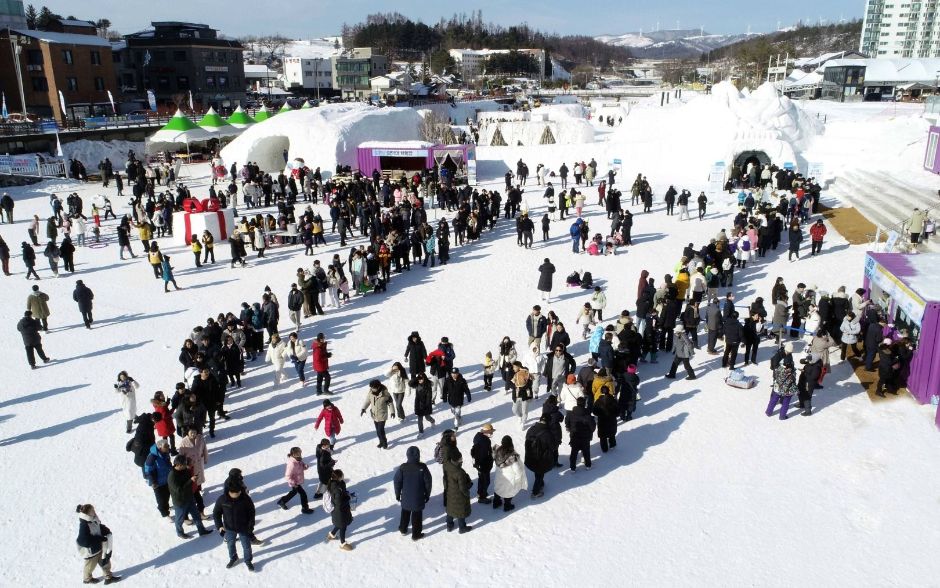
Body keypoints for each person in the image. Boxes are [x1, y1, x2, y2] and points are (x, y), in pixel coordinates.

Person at [213, 484, 257, 571]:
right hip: (229, 528)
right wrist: (219, 526)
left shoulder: (245, 499)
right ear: (229, 492)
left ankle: (248, 561)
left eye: (239, 492)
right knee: (230, 544)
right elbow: (216, 513)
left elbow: (252, 512)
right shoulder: (222, 499)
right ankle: (233, 557)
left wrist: (250, 526)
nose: (237, 495)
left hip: (243, 527)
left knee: (246, 546)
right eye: (235, 493)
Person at [168, 455, 213, 539]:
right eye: (185, 464)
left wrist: (194, 478)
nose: (186, 465)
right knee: (179, 519)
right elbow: (179, 490)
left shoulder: (186, 470)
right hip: (180, 502)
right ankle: (180, 532)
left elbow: (189, 481)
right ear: (179, 465)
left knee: (196, 515)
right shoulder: (172, 476)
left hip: (190, 497)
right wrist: (190, 481)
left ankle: (201, 530)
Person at [393, 446, 433, 541]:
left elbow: (397, 481)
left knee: (405, 513)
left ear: (407, 455)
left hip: (406, 497)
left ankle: (403, 529)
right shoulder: (422, 467)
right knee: (417, 517)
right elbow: (428, 482)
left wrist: (398, 494)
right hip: (418, 498)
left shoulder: (402, 467)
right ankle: (416, 534)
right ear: (418, 455)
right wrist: (427, 494)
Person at [75, 504, 120, 585]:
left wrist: (105, 530)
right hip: (90, 552)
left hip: (99, 547)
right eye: (92, 511)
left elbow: (98, 526)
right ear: (87, 514)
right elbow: (83, 541)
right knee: (90, 567)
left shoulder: (93, 519)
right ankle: (87, 579)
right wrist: (99, 539)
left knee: (105, 561)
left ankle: (108, 577)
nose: (94, 512)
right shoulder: (84, 525)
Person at [492, 435, 527, 511]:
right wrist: (518, 479)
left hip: (499, 475)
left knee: (498, 488)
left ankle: (496, 502)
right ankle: (507, 506)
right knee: (508, 492)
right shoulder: (512, 456)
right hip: (509, 478)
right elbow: (517, 470)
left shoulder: (497, 451)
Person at [524, 415, 555, 498]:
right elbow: (553, 447)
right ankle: (535, 492)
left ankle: (540, 483)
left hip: (530, 458)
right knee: (539, 475)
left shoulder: (531, 429)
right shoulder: (548, 434)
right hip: (541, 460)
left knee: (538, 473)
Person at [277, 447, 315, 514]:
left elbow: (300, 465)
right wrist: (294, 483)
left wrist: (304, 466)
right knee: (303, 494)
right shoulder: (292, 464)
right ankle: (305, 509)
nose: (299, 455)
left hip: (297, 481)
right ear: (293, 454)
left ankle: (282, 501)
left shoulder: (298, 459)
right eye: (298, 454)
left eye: (300, 453)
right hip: (295, 483)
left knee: (294, 492)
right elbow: (287, 476)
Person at [443, 452, 474, 533]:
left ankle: (449, 525)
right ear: (457, 460)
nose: (462, 460)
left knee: (451, 509)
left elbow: (444, 479)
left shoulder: (447, 467)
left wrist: (447, 489)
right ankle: (462, 527)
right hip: (459, 496)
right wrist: (468, 490)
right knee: (460, 511)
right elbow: (463, 488)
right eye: (460, 459)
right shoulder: (459, 473)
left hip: (450, 493)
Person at [143, 439, 173, 519]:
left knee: (167, 496)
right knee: (161, 500)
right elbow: (148, 471)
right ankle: (165, 514)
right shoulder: (152, 457)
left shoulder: (165, 453)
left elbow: (168, 464)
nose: (168, 447)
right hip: (157, 483)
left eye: (168, 445)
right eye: (166, 446)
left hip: (166, 479)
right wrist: (153, 482)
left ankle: (166, 507)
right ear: (160, 448)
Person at [326, 469, 355, 551]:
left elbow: (342, 493)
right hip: (339, 512)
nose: (343, 476)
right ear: (338, 477)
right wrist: (348, 498)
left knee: (339, 525)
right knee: (343, 526)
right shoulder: (336, 489)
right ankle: (342, 543)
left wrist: (347, 494)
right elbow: (339, 503)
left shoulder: (339, 484)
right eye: (342, 475)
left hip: (341, 511)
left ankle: (331, 535)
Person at [564, 396, 596, 471]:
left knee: (574, 452)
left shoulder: (571, 413)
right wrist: (589, 431)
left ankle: (572, 468)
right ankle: (588, 465)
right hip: (585, 437)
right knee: (586, 452)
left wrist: (569, 428)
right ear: (584, 404)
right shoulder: (587, 415)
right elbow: (593, 427)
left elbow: (567, 423)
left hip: (574, 436)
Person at [361, 379, 393, 449]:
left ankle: (384, 442)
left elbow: (390, 403)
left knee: (380, 430)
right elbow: (367, 401)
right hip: (374, 415)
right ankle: (381, 442)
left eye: (373, 388)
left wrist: (392, 412)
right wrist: (363, 408)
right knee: (378, 431)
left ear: (378, 387)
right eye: (371, 387)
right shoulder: (370, 393)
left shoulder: (385, 393)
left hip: (382, 414)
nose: (372, 389)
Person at [471, 423, 495, 503]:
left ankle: (480, 493)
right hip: (483, 465)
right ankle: (482, 497)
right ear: (486, 432)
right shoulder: (483, 442)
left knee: (481, 480)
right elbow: (482, 455)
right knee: (486, 481)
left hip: (481, 465)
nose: (492, 433)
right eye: (490, 432)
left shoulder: (479, 437)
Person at [592, 386, 619, 451]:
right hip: (611, 420)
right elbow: (618, 411)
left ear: (601, 392)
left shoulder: (598, 401)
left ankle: (604, 448)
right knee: (611, 433)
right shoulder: (613, 400)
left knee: (602, 435)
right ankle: (612, 444)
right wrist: (614, 415)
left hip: (602, 421)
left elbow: (594, 411)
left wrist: (600, 414)